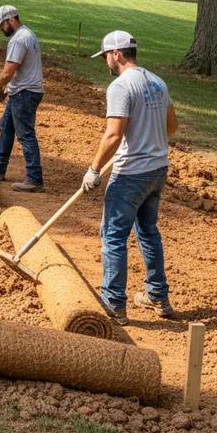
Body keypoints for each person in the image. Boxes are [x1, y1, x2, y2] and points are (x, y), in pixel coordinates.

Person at [82, 31, 180, 325]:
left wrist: (94, 169)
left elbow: (113, 134)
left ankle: (113, 304)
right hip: (157, 168)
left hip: (130, 174)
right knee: (148, 231)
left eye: (106, 57)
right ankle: (158, 297)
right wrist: (148, 142)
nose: (105, 63)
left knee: (113, 236)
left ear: (117, 54)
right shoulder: (156, 81)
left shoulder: (121, 85)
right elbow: (172, 125)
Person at [0, 5, 45, 192]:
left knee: (25, 135)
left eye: (1, 25)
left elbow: (8, 71)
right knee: (6, 126)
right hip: (22, 91)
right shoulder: (28, 34)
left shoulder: (19, 40)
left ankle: (34, 179)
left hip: (24, 93)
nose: (0, 29)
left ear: (11, 20)